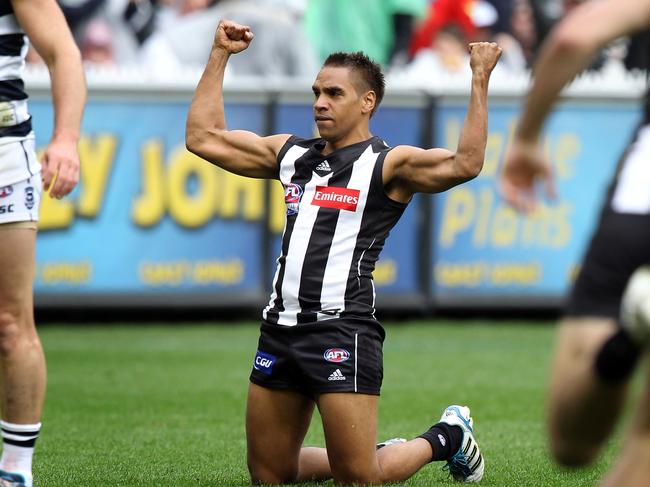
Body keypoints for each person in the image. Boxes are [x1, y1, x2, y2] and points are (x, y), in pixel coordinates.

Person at [186, 19, 500, 485]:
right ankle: (390, 449)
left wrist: (478, 78)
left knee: (359, 479)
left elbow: (465, 163)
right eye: (317, 91)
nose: (319, 103)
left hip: (342, 328)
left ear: (367, 102)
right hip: (280, 328)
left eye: (334, 93)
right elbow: (203, 138)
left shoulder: (387, 164)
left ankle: (446, 437)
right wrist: (219, 54)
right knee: (271, 472)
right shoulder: (293, 155)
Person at [499, 1, 650, 485]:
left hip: (641, 202)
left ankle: (629, 336)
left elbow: (572, 38)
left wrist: (525, 138)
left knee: (571, 445)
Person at [0, 1, 86, 486]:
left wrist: (67, 139)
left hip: (5, 154)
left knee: (11, 322)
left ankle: (15, 471)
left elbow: (62, 53)